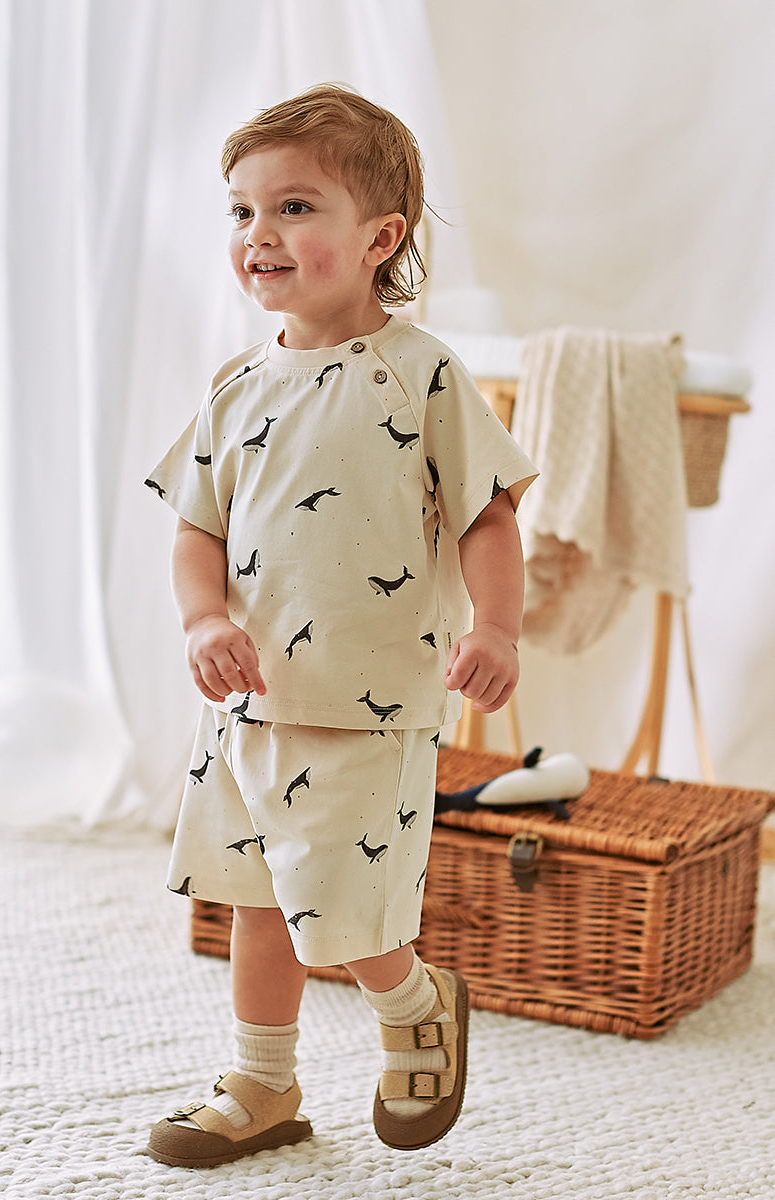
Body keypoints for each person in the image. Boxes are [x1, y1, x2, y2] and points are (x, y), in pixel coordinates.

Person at [143, 84, 537, 1168]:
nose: (259, 234)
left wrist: (498, 629)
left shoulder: (422, 375)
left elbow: (488, 516)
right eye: (241, 211)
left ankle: (414, 1002)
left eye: (294, 207)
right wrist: (201, 622)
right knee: (255, 896)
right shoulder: (236, 386)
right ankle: (264, 1083)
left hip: (369, 705)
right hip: (249, 706)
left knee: (341, 903)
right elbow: (197, 530)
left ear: (380, 238)